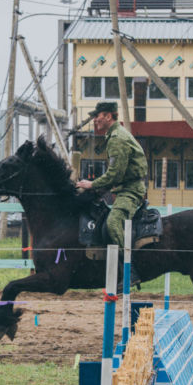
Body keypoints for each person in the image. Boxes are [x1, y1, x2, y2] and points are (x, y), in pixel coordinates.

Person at [76, 101, 148, 284]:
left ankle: (129, 272)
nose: (94, 120)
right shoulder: (114, 136)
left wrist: (92, 185)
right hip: (123, 188)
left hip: (130, 191)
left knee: (114, 222)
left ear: (108, 116)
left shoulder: (117, 138)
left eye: (97, 116)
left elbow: (116, 174)